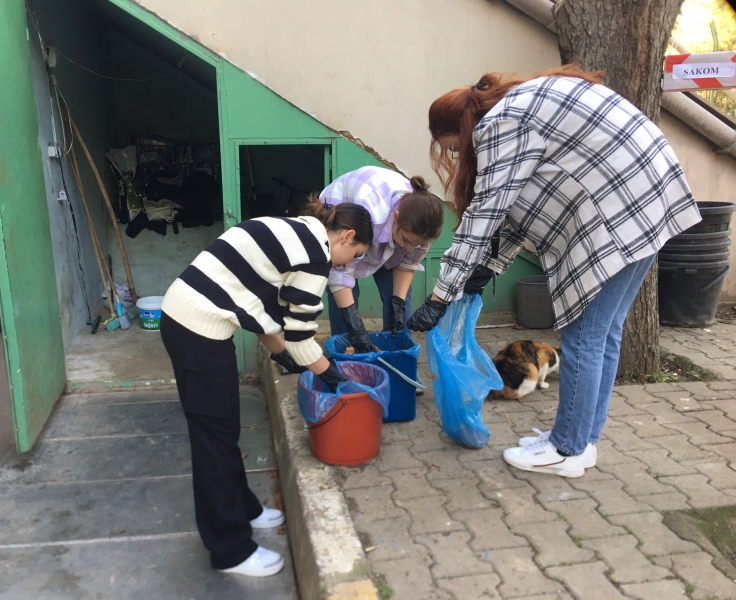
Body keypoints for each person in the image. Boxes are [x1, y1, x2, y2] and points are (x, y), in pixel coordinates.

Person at [407, 64, 701, 478]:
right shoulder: (521, 108)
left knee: (583, 336)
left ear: (462, 126)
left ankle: (566, 450)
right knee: (605, 331)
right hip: (650, 197)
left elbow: (487, 211)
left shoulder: (500, 124)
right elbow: (517, 209)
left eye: (452, 147)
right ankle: (583, 441)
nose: (457, 156)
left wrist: (440, 296)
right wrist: (485, 269)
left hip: (622, 209)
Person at [160, 200, 373, 576]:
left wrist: (282, 356)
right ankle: (230, 549)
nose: (344, 266)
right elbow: (301, 334)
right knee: (214, 438)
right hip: (198, 330)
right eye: (352, 255)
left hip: (187, 319)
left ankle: (245, 509)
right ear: (347, 235)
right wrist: (333, 376)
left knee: (221, 430)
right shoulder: (315, 256)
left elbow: (260, 310)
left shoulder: (295, 230)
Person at [320, 166, 445, 352]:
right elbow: (340, 275)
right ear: (396, 218)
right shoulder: (371, 213)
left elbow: (406, 264)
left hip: (385, 227)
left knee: (399, 304)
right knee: (345, 298)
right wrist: (358, 332)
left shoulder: (422, 230)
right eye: (406, 241)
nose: (410, 248)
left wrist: (398, 303)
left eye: (416, 245)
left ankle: (397, 354)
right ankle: (344, 353)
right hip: (348, 216)